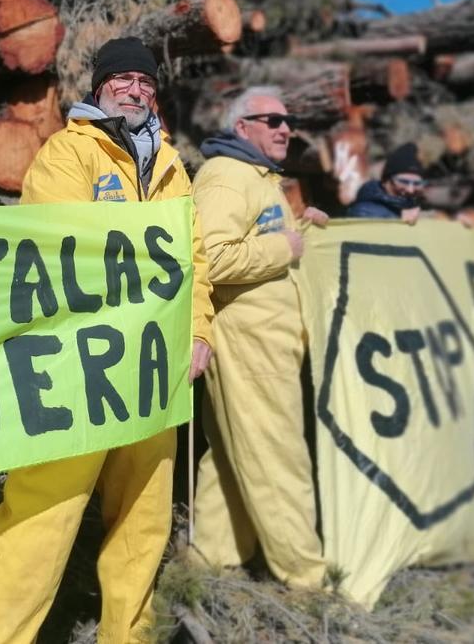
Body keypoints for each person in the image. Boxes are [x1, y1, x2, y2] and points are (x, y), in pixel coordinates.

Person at [0, 36, 214, 644]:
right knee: (42, 513)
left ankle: (130, 635)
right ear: (100, 89)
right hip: (78, 364)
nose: (136, 90)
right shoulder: (69, 153)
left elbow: (192, 259)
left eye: (145, 83)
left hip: (153, 365)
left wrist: (198, 329)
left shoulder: (173, 166)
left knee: (143, 520)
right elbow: (58, 247)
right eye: (124, 80)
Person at [190, 86, 327, 588]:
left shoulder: (258, 179)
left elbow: (274, 245)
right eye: (272, 120)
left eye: (287, 121)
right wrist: (283, 247)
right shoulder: (227, 178)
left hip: (267, 343)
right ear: (240, 127)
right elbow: (212, 257)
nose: (285, 128)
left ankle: (212, 564)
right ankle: (306, 582)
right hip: (249, 343)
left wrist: (305, 230)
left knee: (231, 454)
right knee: (279, 458)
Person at [345, 142, 424, 223]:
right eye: (403, 182)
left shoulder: (415, 205)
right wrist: (399, 218)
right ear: (385, 181)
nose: (410, 190)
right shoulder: (363, 210)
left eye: (417, 183)